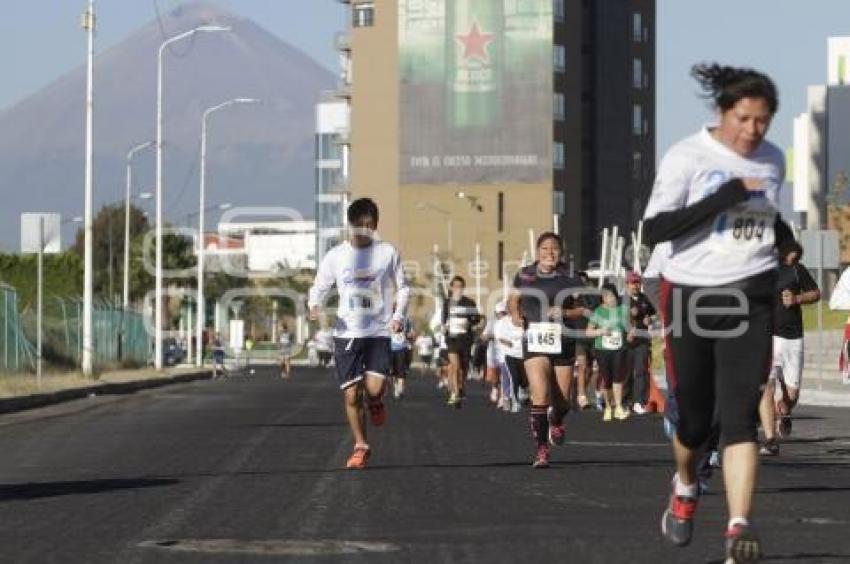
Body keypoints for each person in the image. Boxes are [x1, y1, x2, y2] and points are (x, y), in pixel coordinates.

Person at [644, 63, 792, 562]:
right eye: (745, 119)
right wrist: (720, 199)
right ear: (723, 112)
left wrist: (783, 242)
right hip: (693, 294)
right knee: (694, 424)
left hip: (750, 295)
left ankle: (738, 527)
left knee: (740, 419)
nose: (754, 131)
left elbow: (765, 217)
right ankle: (685, 487)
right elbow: (655, 231)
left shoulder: (774, 159)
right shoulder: (687, 156)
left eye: (763, 121)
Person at [308, 197, 409, 470]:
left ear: (375, 225)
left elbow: (403, 287)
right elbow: (319, 286)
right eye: (358, 227)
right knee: (352, 395)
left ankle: (376, 401)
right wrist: (314, 304)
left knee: (373, 389)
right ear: (350, 226)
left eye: (369, 227)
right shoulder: (335, 256)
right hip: (347, 332)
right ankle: (361, 445)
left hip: (378, 332)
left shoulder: (387, 252)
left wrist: (398, 316)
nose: (363, 232)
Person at [509, 232, 584, 468]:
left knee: (562, 403)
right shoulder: (525, 274)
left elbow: (582, 309)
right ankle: (542, 449)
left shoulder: (570, 276)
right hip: (534, 339)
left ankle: (556, 418)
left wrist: (564, 313)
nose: (549, 253)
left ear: (561, 252)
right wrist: (516, 315)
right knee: (539, 393)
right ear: (537, 251)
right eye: (545, 248)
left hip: (563, 340)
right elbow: (513, 300)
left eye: (554, 249)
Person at [759, 240, 820, 456]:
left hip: (793, 338)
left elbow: (816, 293)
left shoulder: (796, 271)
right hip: (768, 337)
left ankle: (784, 410)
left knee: (791, 396)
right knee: (767, 386)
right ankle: (770, 440)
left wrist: (797, 298)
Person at [585, 283, 631, 421]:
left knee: (618, 377)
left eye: (613, 296)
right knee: (607, 378)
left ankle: (618, 407)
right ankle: (608, 407)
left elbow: (628, 327)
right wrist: (601, 331)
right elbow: (588, 332)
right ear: (603, 298)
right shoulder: (598, 312)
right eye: (608, 296)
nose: (612, 299)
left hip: (619, 348)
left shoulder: (622, 310)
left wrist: (630, 333)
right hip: (602, 349)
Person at [442, 276, 481, 407]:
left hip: (465, 339)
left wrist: (468, 322)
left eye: (460, 286)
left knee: (463, 369)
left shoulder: (469, 302)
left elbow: (475, 319)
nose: (458, 289)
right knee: (455, 365)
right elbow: (444, 320)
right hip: (452, 338)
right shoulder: (447, 303)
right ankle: (455, 393)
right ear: (451, 288)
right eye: (456, 286)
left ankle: (460, 386)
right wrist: (445, 326)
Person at [624, 271, 657, 414]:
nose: (635, 286)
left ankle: (639, 401)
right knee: (625, 372)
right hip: (625, 340)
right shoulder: (621, 299)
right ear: (627, 284)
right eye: (633, 283)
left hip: (642, 340)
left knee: (641, 371)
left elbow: (652, 313)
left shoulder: (645, 299)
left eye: (637, 283)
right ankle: (624, 401)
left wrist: (649, 319)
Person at [573, 271, 600, 410]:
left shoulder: (595, 296)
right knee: (582, 366)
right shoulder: (571, 296)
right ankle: (581, 395)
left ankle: (580, 389)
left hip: (594, 336)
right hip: (579, 336)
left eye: (584, 281)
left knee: (591, 369)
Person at [494, 300, 524, 412]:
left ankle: (520, 395)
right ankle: (511, 400)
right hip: (509, 354)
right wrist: (508, 343)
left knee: (522, 380)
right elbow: (499, 337)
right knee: (513, 378)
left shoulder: (526, 320)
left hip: (524, 355)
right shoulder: (503, 322)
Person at [390, 314, 413, 399]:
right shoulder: (388, 317)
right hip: (390, 348)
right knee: (393, 371)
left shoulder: (407, 319)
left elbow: (411, 332)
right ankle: (396, 388)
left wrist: (410, 335)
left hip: (402, 347)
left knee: (401, 370)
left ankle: (400, 389)